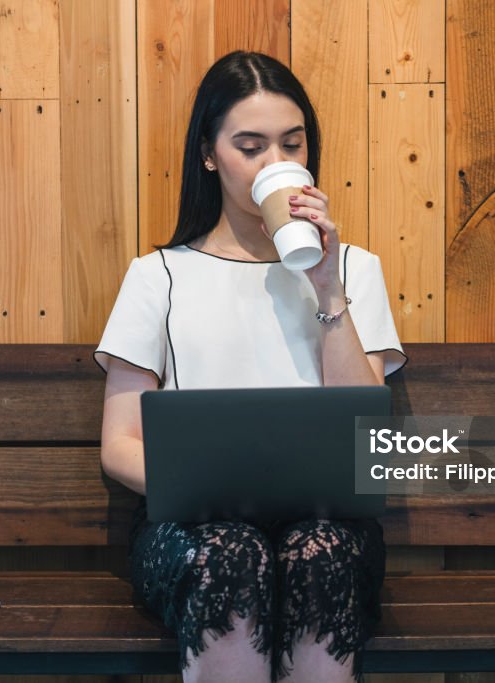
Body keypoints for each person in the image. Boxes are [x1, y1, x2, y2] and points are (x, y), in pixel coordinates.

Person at [94, 50, 406, 683]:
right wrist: (198, 489)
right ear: (209, 154)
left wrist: (327, 286)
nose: (275, 164)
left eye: (292, 144)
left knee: (320, 555)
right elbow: (119, 444)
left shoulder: (355, 270)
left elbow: (364, 435)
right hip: (193, 530)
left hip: (325, 524)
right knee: (230, 555)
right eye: (250, 147)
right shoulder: (158, 276)